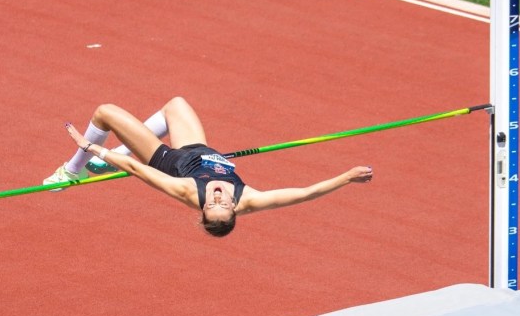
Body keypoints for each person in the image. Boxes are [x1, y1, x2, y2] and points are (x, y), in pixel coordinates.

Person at [44, 97, 373, 237]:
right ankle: (104, 158)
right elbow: (304, 194)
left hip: (161, 158)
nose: (216, 199)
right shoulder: (249, 199)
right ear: (234, 208)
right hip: (196, 148)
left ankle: (73, 170)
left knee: (104, 112)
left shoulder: (188, 190)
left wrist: (89, 147)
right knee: (176, 104)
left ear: (202, 210)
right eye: (223, 205)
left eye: (210, 206)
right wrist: (346, 177)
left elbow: (137, 170)